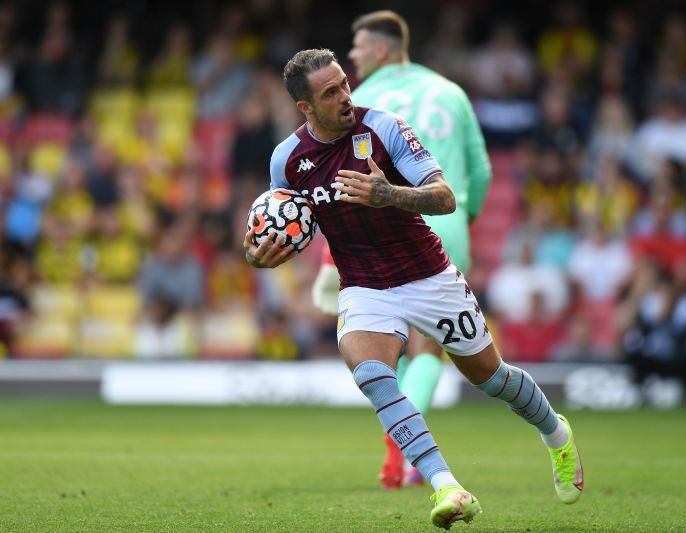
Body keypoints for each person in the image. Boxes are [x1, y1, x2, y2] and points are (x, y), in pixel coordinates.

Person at [243, 48, 583, 530]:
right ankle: (448, 486)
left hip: (428, 276)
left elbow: (444, 197)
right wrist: (257, 251)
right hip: (364, 285)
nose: (345, 96)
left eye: (344, 83)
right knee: (372, 374)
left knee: (491, 378)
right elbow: (282, 222)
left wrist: (388, 195)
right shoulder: (287, 160)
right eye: (330, 92)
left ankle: (555, 432)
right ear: (305, 108)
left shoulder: (384, 128)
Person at [310, 10, 493, 489]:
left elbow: (338, 183)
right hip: (447, 221)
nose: (351, 57)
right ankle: (409, 453)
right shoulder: (451, 92)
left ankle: (400, 444)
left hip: (384, 225)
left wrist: (332, 253)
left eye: (358, 47)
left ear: (383, 50)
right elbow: (482, 171)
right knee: (430, 345)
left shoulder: (360, 101)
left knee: (390, 343)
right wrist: (464, 225)